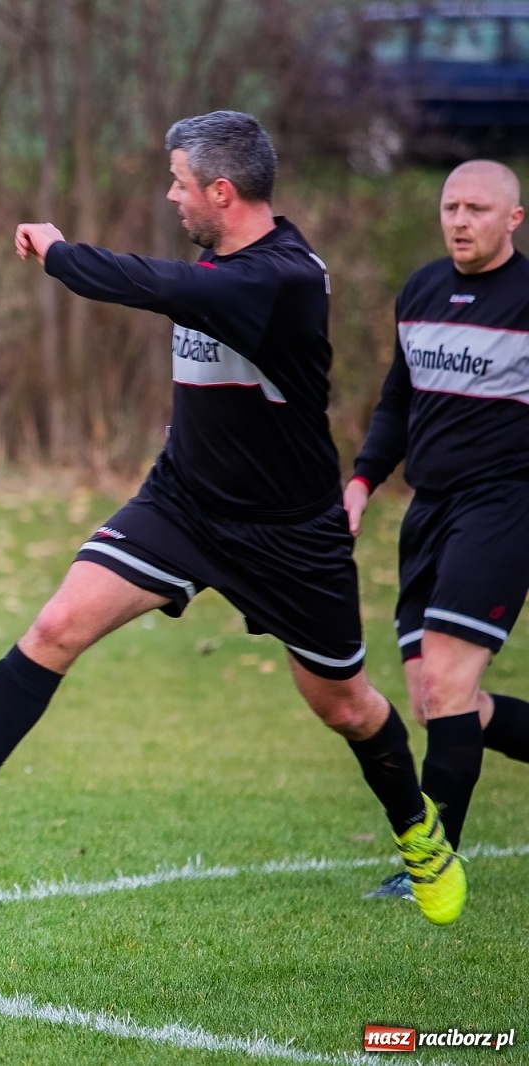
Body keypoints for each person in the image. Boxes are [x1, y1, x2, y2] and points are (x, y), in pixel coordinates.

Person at [0, 110, 466, 926]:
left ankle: (421, 837)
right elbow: (181, 287)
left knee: (346, 706)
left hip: (288, 533)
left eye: (180, 183)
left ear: (222, 190)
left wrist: (63, 255)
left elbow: (165, 288)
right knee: (55, 626)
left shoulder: (282, 278)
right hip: (181, 504)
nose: (169, 196)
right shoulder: (222, 261)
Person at [346, 160, 529, 900]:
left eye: (477, 208)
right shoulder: (421, 289)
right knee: (438, 701)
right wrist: (360, 481)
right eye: (450, 206)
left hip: (504, 507)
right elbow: (397, 401)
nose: (459, 220)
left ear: (513, 219)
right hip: (427, 512)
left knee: (451, 685)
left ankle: (434, 860)